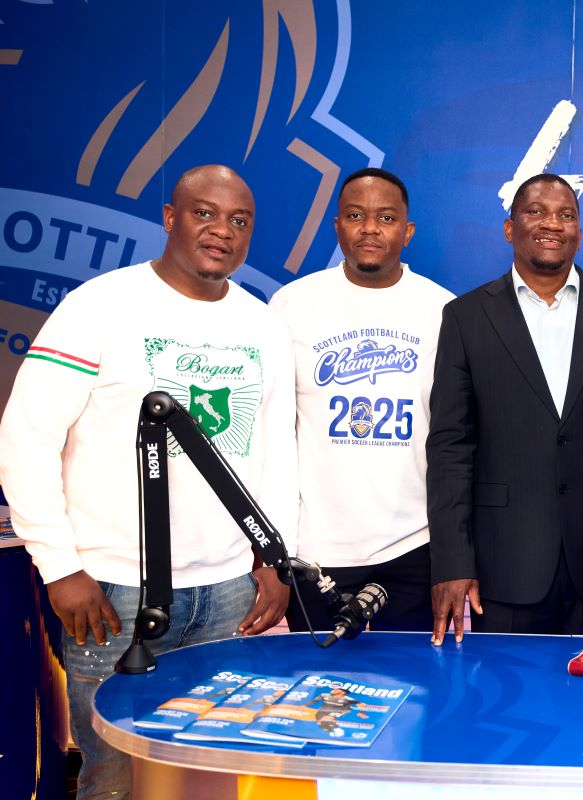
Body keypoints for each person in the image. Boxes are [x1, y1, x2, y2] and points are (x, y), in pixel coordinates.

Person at [0, 165, 298, 799]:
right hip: (112, 589)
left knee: (210, 773)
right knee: (113, 778)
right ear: (169, 217)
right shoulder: (100, 306)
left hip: (228, 591)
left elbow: (276, 454)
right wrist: (61, 567)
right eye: (204, 213)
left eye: (239, 221)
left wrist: (275, 559)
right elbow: (26, 436)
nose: (222, 230)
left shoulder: (264, 326)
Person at [426, 173, 583, 644]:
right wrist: (452, 561)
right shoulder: (466, 317)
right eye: (536, 212)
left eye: (566, 215)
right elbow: (450, 447)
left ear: (579, 233)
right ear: (510, 228)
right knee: (505, 689)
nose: (552, 223)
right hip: (505, 561)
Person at [270, 167, 453, 634]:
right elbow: (271, 433)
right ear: (337, 226)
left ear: (407, 232)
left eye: (386, 218)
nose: (370, 228)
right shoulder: (291, 304)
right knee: (317, 680)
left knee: (413, 678)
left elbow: (456, 438)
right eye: (355, 215)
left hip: (414, 546)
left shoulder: (443, 310)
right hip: (315, 548)